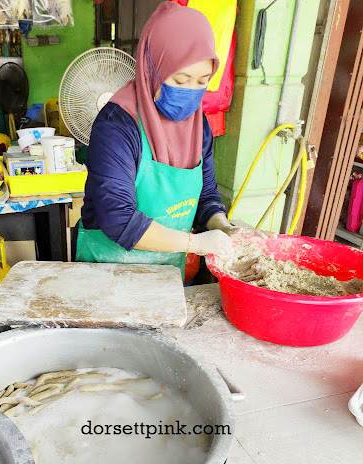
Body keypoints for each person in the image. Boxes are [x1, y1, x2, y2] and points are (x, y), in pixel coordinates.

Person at [76, 1, 259, 279]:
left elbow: (206, 196)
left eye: (202, 82)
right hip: (106, 272)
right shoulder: (116, 125)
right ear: (153, 68)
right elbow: (118, 218)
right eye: (181, 80)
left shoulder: (199, 126)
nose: (191, 93)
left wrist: (223, 227)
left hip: (165, 275)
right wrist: (195, 243)